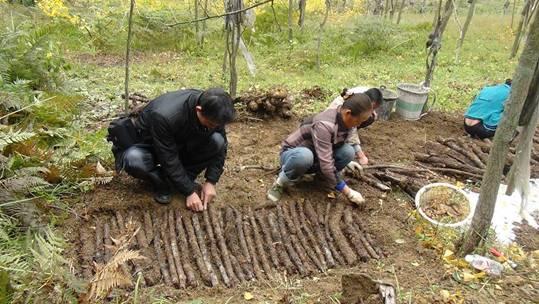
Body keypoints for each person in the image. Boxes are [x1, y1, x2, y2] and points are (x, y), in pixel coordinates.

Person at [108, 88, 235, 211]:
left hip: (181, 142)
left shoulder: (213, 109)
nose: (214, 127)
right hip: (152, 146)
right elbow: (168, 157)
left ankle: (184, 177)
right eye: (211, 124)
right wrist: (189, 191)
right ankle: (160, 182)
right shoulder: (164, 115)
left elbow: (221, 148)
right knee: (134, 159)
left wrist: (211, 181)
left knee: (217, 141)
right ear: (199, 110)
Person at [267, 92, 374, 204]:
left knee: (348, 152)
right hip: (294, 155)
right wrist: (348, 192)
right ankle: (280, 182)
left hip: (317, 154)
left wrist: (348, 162)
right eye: (358, 121)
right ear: (348, 113)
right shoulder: (325, 125)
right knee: (304, 157)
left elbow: (336, 145)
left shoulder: (347, 122)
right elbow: (326, 162)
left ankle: (321, 177)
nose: (358, 125)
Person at [328, 87, 383, 165]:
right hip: (330, 132)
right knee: (348, 151)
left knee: (371, 117)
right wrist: (361, 155)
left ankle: (346, 134)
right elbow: (352, 131)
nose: (372, 110)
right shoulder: (343, 107)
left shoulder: (365, 95)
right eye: (371, 107)